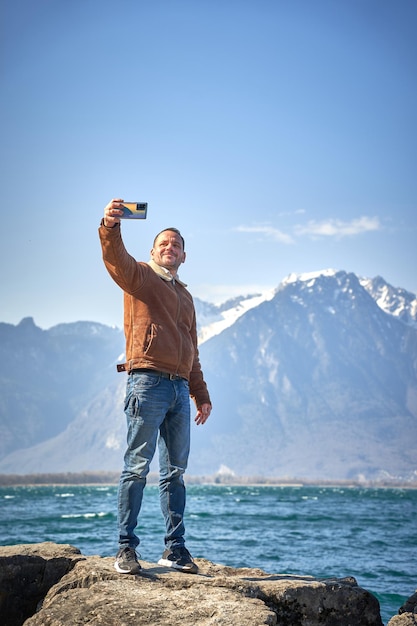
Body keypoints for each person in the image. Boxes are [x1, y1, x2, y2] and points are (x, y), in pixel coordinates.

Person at [99, 198, 212, 575]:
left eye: (176, 244)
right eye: (163, 243)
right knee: (136, 468)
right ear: (153, 252)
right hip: (146, 381)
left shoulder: (186, 296)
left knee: (175, 473)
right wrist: (111, 226)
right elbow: (116, 259)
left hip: (180, 390)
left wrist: (201, 393)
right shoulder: (141, 277)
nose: (170, 247)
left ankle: (174, 549)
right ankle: (126, 549)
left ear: (184, 256)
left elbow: (192, 348)